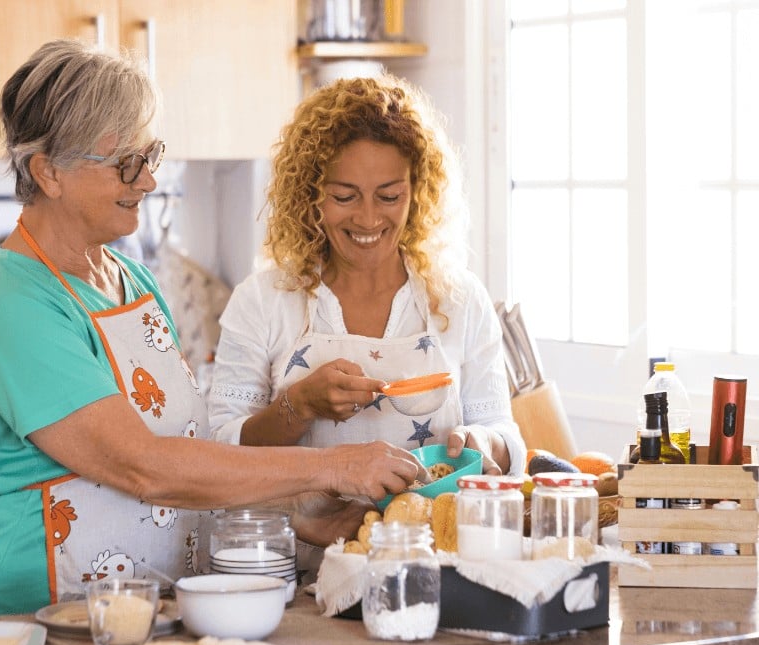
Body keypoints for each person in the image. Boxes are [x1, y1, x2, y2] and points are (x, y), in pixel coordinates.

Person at [0, 40, 423, 618]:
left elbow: (190, 454)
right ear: (47, 172)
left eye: (151, 154)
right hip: (22, 622)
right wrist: (336, 465)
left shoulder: (132, 280)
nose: (147, 181)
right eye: (124, 164)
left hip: (127, 616)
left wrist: (298, 512)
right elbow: (145, 466)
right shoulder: (16, 305)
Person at [207, 73, 526, 569]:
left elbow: (500, 430)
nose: (368, 219)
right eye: (345, 195)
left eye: (389, 195)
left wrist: (488, 445)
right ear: (312, 193)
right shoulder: (264, 301)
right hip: (295, 576)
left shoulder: (459, 300)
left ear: (416, 192)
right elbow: (220, 456)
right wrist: (299, 406)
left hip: (430, 570)